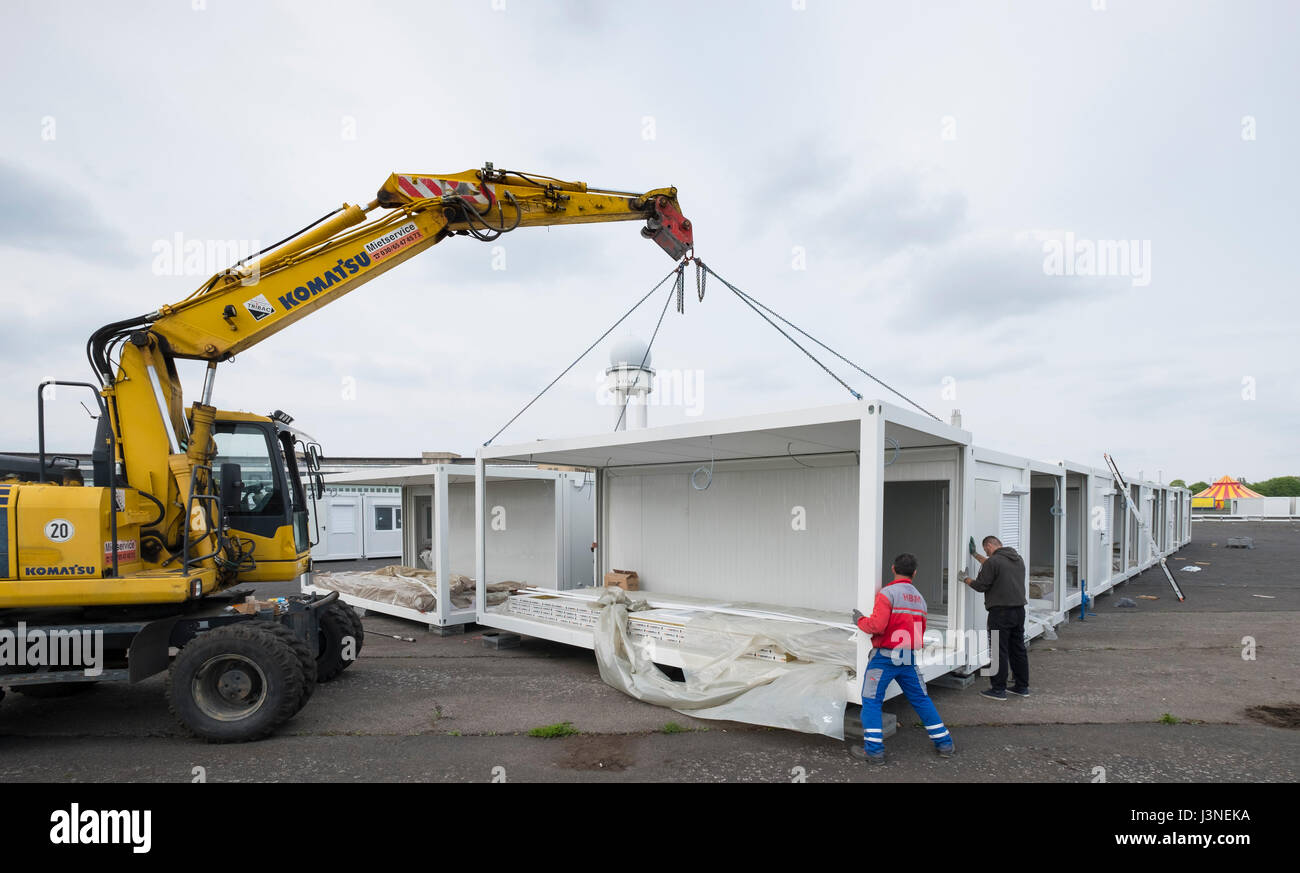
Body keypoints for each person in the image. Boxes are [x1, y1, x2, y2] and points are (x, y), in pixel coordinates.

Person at [850, 553, 954, 763]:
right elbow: (919, 633)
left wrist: (859, 620)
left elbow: (876, 626)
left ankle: (874, 751)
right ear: (914, 573)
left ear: (893, 568)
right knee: (921, 699)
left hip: (885, 657)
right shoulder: (921, 600)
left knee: (871, 701)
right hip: (907, 658)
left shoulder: (887, 594)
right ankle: (945, 743)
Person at [963, 535, 1030, 700]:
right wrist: (975, 555)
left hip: (1000, 613)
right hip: (1019, 611)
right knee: (1018, 649)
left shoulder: (993, 562)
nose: (987, 553)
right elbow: (993, 565)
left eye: (986, 550)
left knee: (998, 650)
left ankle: (998, 689)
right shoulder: (1017, 559)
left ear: (990, 545)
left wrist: (965, 579)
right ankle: (1022, 687)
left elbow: (981, 585)